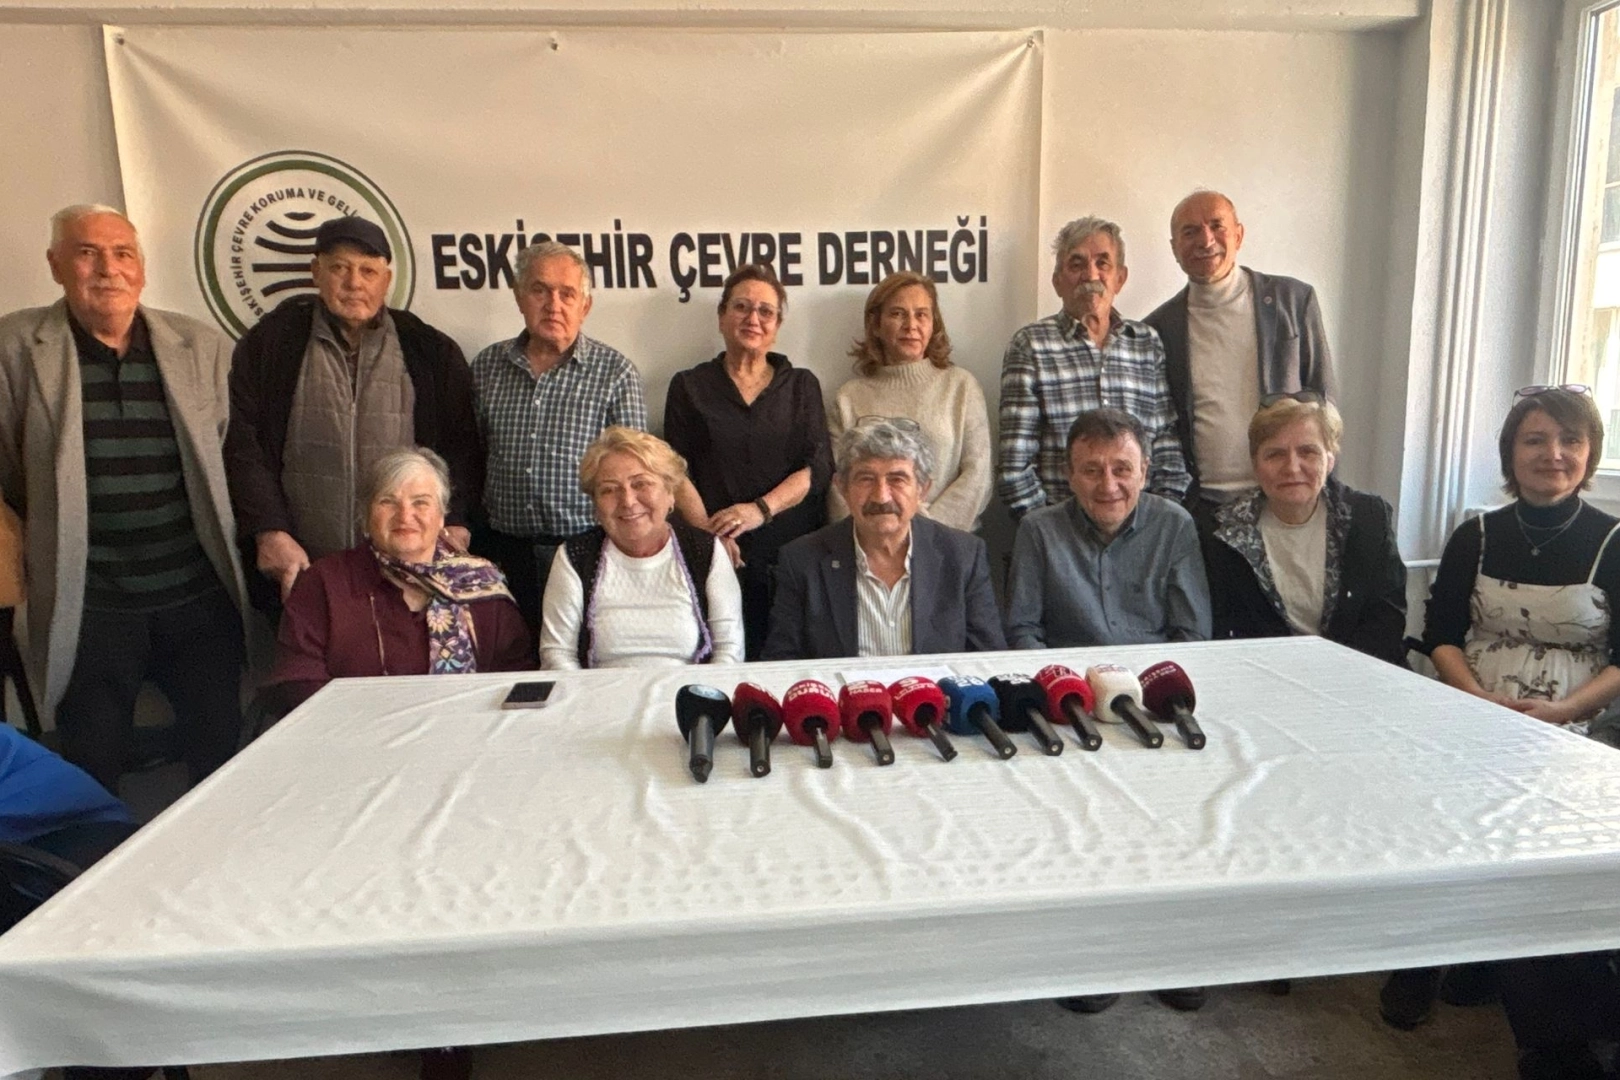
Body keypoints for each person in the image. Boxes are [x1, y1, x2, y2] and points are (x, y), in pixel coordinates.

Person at [1386, 387, 1620, 1054]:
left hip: (1579, 722)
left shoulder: (1615, 541)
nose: (1553, 454)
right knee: (1437, 823)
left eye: (1570, 441)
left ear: (1590, 453)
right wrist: (1477, 701)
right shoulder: (1476, 535)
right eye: (1535, 440)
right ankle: (1422, 959)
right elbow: (1440, 634)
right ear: (1510, 454)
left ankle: (1515, 963)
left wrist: (1565, 712)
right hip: (1473, 707)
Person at [0, 205, 250, 792]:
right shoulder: (15, 348)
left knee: (221, 758)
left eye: (122, 254)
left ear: (141, 267)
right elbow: (11, 467)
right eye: (87, 253)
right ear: (56, 265)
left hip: (196, 595)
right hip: (90, 605)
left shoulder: (201, 346)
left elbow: (223, 452)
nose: (107, 269)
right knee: (92, 764)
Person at [226, 216, 482, 609]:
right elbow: (243, 444)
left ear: (387, 279)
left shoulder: (429, 351)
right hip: (303, 566)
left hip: (407, 571)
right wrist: (267, 528)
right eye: (340, 268)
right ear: (316, 272)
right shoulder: (272, 343)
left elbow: (462, 447)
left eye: (368, 271)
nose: (354, 283)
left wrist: (457, 520)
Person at [266, 448, 531, 713]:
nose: (405, 515)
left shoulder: (483, 587)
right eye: (388, 502)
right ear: (365, 516)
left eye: (420, 502)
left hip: (469, 732)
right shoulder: (323, 583)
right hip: (353, 733)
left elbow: (518, 680)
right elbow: (298, 682)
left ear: (441, 516)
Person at [471, 242, 647, 633]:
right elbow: (474, 455)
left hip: (585, 550)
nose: (554, 305)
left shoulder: (615, 373)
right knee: (509, 655)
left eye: (567, 294)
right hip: (502, 552)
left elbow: (634, 475)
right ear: (519, 297)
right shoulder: (487, 367)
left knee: (579, 656)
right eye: (540, 290)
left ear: (585, 305)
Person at [663, 263, 832, 658]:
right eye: (741, 307)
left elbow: (818, 468)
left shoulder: (801, 385)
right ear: (722, 316)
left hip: (792, 555)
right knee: (723, 659)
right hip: (716, 553)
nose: (753, 318)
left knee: (789, 660)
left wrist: (759, 511)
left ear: (777, 325)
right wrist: (712, 538)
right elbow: (675, 471)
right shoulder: (689, 386)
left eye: (765, 311)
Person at [1144, 190, 1337, 514]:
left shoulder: (1293, 301)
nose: (1206, 240)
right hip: (1202, 508)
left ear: (1238, 234)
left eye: (1216, 226)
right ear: (1175, 248)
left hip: (1286, 501)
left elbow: (1325, 405)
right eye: (1190, 231)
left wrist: (1327, 497)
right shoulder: (1159, 328)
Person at [997, 216, 1190, 522]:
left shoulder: (1146, 342)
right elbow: (1014, 468)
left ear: (1120, 278)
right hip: (1060, 533)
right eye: (1077, 264)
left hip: (1143, 530)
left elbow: (1166, 445)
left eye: (1103, 263)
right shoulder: (1031, 346)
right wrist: (1053, 534)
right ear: (1057, 281)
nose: (1091, 274)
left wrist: (1154, 526)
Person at [763, 416, 1004, 660]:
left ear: (922, 490)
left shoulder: (963, 557)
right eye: (866, 479)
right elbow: (782, 663)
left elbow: (989, 660)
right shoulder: (802, 561)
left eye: (897, 479)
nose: (881, 497)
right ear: (842, 488)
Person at [1202, 395, 1406, 665]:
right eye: (1275, 454)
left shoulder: (1368, 518)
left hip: (1360, 672)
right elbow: (1225, 630)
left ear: (1329, 460)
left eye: (1308, 452)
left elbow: (1387, 621)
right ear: (1255, 465)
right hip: (1265, 674)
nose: (1292, 467)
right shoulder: (1223, 531)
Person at [539, 427, 743, 669]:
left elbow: (729, 650)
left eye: (641, 484)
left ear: (670, 493)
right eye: (609, 489)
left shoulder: (705, 551)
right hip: (599, 691)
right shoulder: (575, 556)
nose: (627, 501)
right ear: (595, 505)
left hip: (688, 690)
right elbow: (557, 654)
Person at [1006, 408, 1210, 650]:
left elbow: (1192, 634)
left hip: (1154, 669)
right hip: (1069, 670)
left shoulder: (1174, 525)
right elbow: (1022, 631)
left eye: (1121, 469)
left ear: (1143, 473)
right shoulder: (1038, 530)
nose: (1109, 486)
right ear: (1069, 475)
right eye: (1092, 471)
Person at [827, 272, 992, 530]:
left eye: (921, 314)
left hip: (948, 541)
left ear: (934, 324)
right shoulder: (849, 398)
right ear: (876, 325)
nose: (911, 325)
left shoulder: (961, 387)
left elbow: (978, 476)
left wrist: (924, 533)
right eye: (897, 314)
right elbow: (839, 486)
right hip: (871, 543)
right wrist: (878, 536)